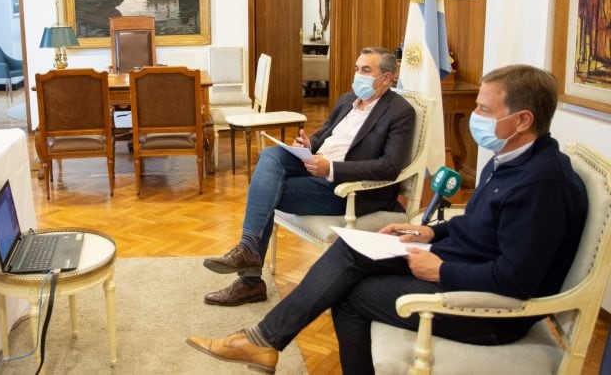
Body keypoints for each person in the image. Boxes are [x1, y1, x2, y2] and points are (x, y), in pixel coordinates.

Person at [187, 64, 588, 374]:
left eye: (484, 109)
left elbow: (516, 280)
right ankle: (263, 339)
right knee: (350, 249)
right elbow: (481, 224)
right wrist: (431, 229)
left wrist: (441, 268)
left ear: (522, 120)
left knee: (348, 294)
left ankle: (263, 340)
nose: (475, 116)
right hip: (460, 259)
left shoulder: (543, 185)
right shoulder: (511, 159)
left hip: (489, 310)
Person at [202, 47, 416, 306]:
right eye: (357, 68)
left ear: (387, 78)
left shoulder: (400, 111)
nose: (358, 75)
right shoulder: (348, 100)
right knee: (270, 157)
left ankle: (250, 281)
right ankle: (248, 252)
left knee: (264, 190)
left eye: (366, 70)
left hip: (345, 189)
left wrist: (332, 168)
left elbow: (389, 166)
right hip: (314, 167)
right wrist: (308, 145)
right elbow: (324, 134)